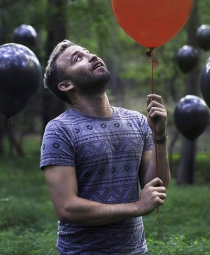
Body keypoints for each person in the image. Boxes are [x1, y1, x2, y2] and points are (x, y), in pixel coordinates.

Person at [40, 40, 171, 255]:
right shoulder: (60, 129)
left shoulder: (138, 121)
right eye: (77, 59)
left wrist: (159, 137)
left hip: (136, 251)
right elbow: (67, 208)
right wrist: (137, 207)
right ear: (65, 85)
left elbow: (155, 186)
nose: (91, 56)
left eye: (89, 52)